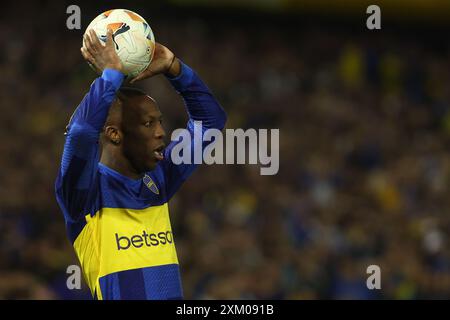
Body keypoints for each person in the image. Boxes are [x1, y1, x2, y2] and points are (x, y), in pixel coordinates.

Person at [55, 29, 227, 300]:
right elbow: (80, 133)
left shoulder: (158, 180)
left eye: (159, 122)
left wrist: (175, 69)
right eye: (149, 124)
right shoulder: (84, 196)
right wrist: (110, 75)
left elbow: (211, 123)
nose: (161, 132)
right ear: (114, 133)